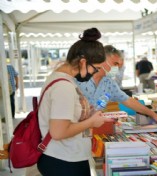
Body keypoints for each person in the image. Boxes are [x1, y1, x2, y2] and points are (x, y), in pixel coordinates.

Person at [37, 28, 113, 176]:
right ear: (83, 62)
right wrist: (91, 122)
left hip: (65, 158)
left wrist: (88, 113)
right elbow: (58, 132)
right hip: (64, 161)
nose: (94, 73)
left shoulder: (63, 79)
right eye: (95, 68)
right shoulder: (63, 87)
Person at [77, 45, 157, 124]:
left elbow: (128, 100)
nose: (116, 68)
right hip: (73, 130)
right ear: (102, 59)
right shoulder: (79, 78)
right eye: (115, 63)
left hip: (94, 128)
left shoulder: (109, 83)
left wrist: (152, 114)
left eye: (119, 66)